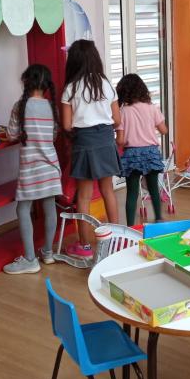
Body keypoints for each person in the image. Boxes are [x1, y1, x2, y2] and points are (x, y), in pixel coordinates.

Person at [61, 39, 121, 260]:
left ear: (74, 61)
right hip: (106, 140)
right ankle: (116, 239)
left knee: (84, 197)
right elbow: (117, 119)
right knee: (108, 191)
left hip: (84, 143)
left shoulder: (70, 88)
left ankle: (85, 246)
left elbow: (67, 125)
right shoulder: (106, 84)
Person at [3, 65, 62, 275]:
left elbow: (11, 134)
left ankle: (30, 260)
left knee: (22, 208)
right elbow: (53, 136)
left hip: (30, 167)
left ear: (27, 82)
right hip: (50, 165)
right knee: (49, 207)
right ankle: (48, 252)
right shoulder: (52, 108)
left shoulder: (20, 106)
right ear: (46, 85)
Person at [115, 73, 168, 226]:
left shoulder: (123, 111)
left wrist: (116, 141)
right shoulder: (152, 108)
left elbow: (121, 140)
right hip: (151, 153)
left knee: (132, 193)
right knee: (153, 188)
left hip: (131, 154)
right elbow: (164, 130)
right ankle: (159, 219)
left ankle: (130, 226)